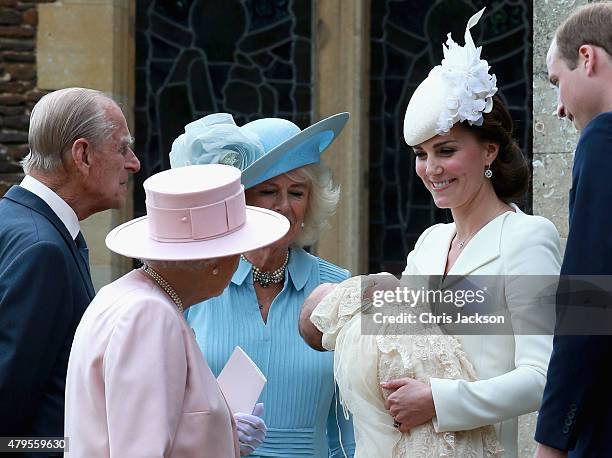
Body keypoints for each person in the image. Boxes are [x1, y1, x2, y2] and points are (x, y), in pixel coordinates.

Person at [300, 9, 561, 457]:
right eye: (421, 155)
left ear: (489, 152)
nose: (431, 169)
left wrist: (439, 400)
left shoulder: (527, 238)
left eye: (446, 150)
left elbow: (542, 376)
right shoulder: (428, 244)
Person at [64, 164, 290, 457]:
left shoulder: (130, 296)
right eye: (237, 249)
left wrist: (225, 432)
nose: (241, 260)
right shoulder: (149, 315)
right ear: (213, 262)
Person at [170, 112, 357, 457]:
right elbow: (162, 404)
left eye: (297, 192)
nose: (284, 206)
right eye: (269, 191)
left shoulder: (338, 287)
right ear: (238, 202)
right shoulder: (195, 288)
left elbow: (349, 425)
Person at [0, 87, 140, 442]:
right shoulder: (41, 249)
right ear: (83, 155)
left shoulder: (15, 221)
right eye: (122, 147)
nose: (134, 162)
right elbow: (7, 414)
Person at [535, 3, 612, 457]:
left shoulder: (603, 139)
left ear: (588, 58)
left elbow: (590, 302)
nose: (559, 107)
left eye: (556, 84)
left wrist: (550, 442)